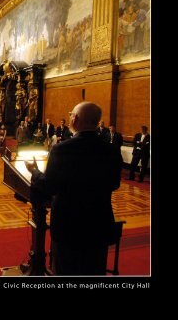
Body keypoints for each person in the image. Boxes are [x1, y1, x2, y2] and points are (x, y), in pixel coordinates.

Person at [25, 102, 122, 275]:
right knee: (94, 271)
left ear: (75, 119)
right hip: (98, 223)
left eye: (71, 114)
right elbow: (114, 183)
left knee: (66, 271)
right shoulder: (111, 150)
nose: (70, 117)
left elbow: (49, 185)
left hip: (68, 226)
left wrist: (34, 171)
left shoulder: (61, 149)